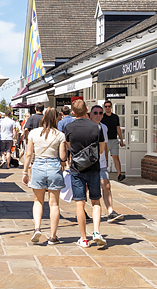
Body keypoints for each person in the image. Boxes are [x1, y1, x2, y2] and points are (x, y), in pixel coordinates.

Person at [63, 99, 107, 248]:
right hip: (94, 168)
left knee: (80, 203)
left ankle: (84, 238)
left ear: (73, 112)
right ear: (87, 110)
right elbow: (101, 150)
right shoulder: (97, 127)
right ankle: (96, 231)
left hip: (77, 169)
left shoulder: (68, 127)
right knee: (96, 201)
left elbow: (69, 147)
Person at [22, 107, 67, 245]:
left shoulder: (34, 133)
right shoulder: (60, 135)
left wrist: (25, 172)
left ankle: (37, 228)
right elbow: (62, 157)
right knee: (54, 204)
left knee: (38, 201)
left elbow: (29, 154)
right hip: (54, 166)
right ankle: (53, 237)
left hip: (38, 166)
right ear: (56, 118)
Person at [90, 105, 123, 223]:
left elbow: (104, 146)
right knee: (86, 189)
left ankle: (110, 211)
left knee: (107, 186)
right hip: (88, 163)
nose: (98, 115)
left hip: (101, 163)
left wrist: (105, 161)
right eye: (95, 113)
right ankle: (82, 211)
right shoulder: (87, 127)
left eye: (100, 113)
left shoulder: (104, 127)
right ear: (90, 114)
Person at [101, 101, 126, 181]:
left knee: (115, 157)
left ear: (111, 107)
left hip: (114, 140)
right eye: (106, 106)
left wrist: (121, 139)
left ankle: (119, 174)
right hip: (105, 141)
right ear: (104, 108)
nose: (107, 108)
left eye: (109, 106)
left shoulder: (115, 117)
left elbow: (118, 128)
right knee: (105, 158)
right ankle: (105, 174)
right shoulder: (102, 117)